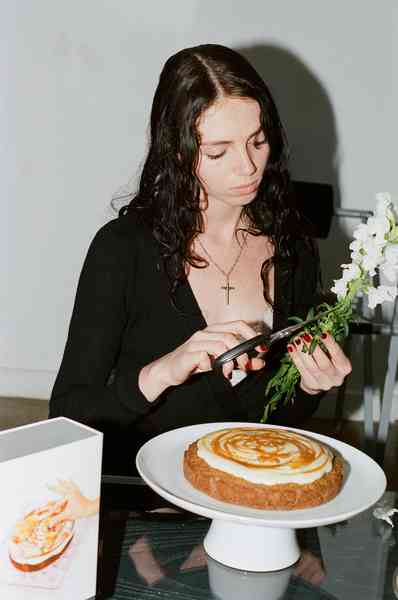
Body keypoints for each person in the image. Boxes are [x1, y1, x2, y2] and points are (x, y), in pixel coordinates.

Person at [49, 44, 351, 477]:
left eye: (258, 141)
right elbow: (68, 419)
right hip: (144, 503)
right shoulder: (122, 250)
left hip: (245, 491)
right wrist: (162, 372)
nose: (247, 166)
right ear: (177, 150)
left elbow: (274, 423)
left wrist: (308, 385)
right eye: (218, 152)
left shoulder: (293, 247)